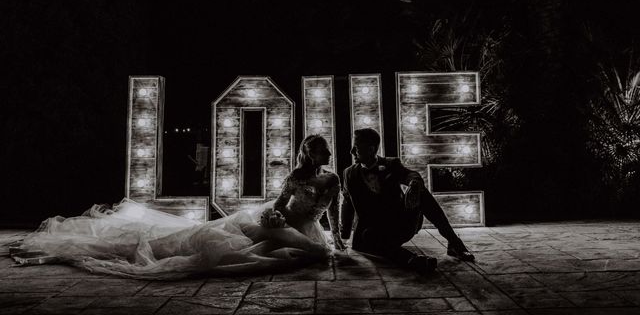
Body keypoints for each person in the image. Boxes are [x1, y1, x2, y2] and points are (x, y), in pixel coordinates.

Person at [10, 135, 344, 279]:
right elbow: (283, 205)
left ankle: (254, 249)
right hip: (285, 223)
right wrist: (274, 216)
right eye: (323, 150)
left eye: (328, 150)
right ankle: (152, 248)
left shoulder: (331, 180)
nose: (328, 154)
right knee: (284, 250)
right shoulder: (295, 177)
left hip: (307, 227)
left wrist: (339, 239)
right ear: (311, 153)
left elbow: (333, 210)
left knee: (306, 249)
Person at [340, 128, 475, 275]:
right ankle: (413, 260)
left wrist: (414, 184)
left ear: (371, 149)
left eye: (356, 148)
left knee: (421, 193)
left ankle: (454, 243)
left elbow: (411, 174)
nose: (351, 151)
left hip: (401, 224)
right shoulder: (349, 173)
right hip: (373, 231)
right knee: (369, 238)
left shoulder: (392, 164)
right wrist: (344, 234)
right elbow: (347, 202)